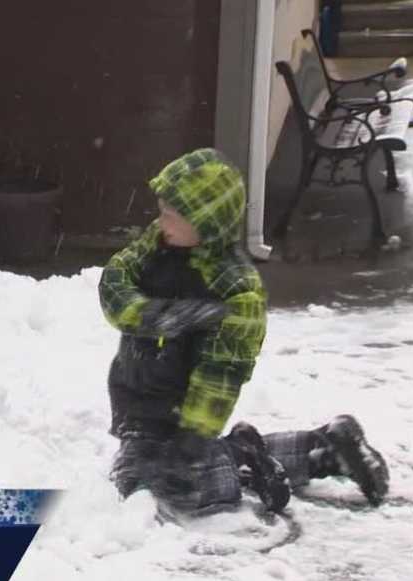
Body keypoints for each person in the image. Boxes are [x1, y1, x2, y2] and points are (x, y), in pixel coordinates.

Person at [99, 148, 390, 515]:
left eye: (172, 215)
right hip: (140, 396)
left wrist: (192, 440)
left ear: (206, 222)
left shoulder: (236, 291)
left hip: (181, 408)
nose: (161, 222)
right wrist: (168, 316)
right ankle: (313, 450)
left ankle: (262, 457)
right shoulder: (158, 244)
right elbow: (114, 283)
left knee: (157, 489)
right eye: (162, 212)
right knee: (136, 481)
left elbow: (220, 377)